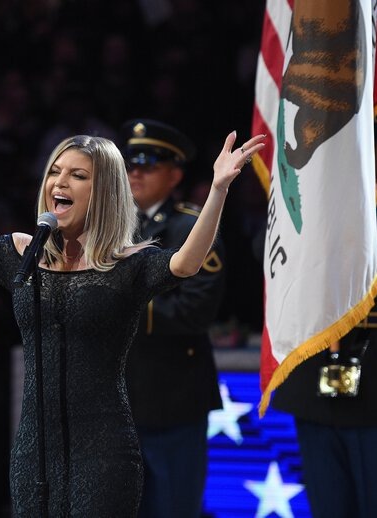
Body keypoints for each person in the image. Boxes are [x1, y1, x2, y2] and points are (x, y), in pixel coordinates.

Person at [0, 100, 264, 517]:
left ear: (103, 191)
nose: (60, 182)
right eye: (55, 171)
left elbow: (186, 263)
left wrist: (218, 190)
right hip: (33, 451)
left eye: (78, 175)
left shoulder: (127, 264)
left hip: (103, 452)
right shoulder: (22, 252)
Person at [270, 106, 377, 518]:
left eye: (359, 144)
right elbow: (269, 260)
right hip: (314, 381)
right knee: (327, 506)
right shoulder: (301, 214)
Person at [121, 119, 225, 518]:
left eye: (149, 164)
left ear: (175, 175)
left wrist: (116, 303)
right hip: (118, 400)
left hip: (173, 398)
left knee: (173, 507)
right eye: (131, 164)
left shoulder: (193, 226)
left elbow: (195, 310)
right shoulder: (110, 226)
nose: (136, 173)